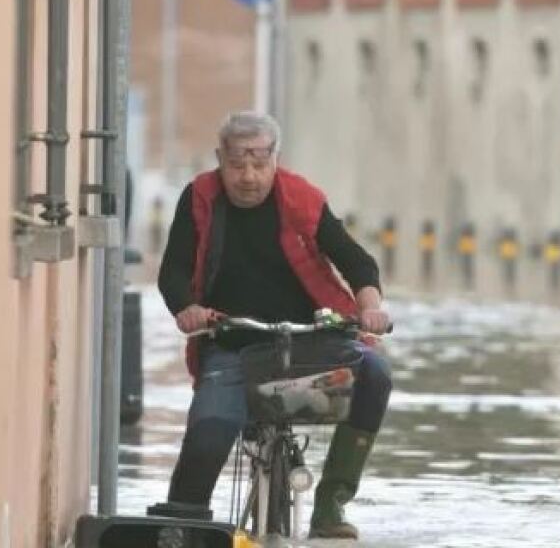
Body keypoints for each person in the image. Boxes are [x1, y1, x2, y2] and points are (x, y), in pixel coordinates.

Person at [156, 110, 392, 540]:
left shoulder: (301, 197)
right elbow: (172, 271)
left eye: (260, 164)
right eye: (237, 164)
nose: (249, 177)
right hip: (231, 344)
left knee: (374, 373)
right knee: (207, 436)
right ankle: (183, 526)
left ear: (275, 161)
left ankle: (331, 501)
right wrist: (186, 307)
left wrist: (371, 306)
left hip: (308, 342)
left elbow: (356, 261)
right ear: (220, 159)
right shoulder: (199, 198)